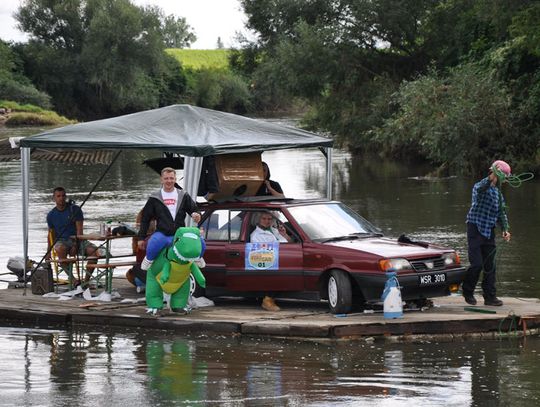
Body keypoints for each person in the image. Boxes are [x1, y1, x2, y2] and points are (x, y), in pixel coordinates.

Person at [462, 160, 512, 307]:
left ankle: (490, 297)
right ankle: (467, 291)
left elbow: (501, 214)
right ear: (495, 173)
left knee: (490, 266)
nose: (505, 180)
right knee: (477, 264)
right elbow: (481, 189)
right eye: (503, 176)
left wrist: (505, 229)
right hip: (475, 228)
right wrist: (492, 177)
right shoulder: (479, 187)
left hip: (488, 231)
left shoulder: (498, 194)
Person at [138, 167, 201, 271]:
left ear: (175, 179)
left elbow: (194, 210)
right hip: (162, 233)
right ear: (161, 180)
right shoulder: (154, 197)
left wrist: (196, 215)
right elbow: (145, 219)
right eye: (166, 178)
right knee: (153, 242)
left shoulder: (183, 195)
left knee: (199, 241)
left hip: (180, 233)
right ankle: (148, 259)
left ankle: (198, 257)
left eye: (171, 178)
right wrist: (141, 238)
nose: (169, 181)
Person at [46, 187, 99, 282]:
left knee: (94, 252)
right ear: (54, 198)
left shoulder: (75, 210)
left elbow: (79, 230)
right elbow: (51, 234)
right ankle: (73, 279)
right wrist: (48, 251)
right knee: (60, 249)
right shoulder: (51, 215)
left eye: (63, 196)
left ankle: (86, 280)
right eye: (58, 196)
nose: (61, 198)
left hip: (77, 239)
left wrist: (76, 244)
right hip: (62, 241)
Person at [250, 211, 291, 311]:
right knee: (277, 273)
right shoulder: (255, 235)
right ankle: (267, 300)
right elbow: (261, 253)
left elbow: (290, 243)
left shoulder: (275, 230)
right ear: (258, 220)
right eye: (264, 219)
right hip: (269, 261)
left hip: (285, 257)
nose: (267, 221)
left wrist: (284, 235)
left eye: (269, 219)